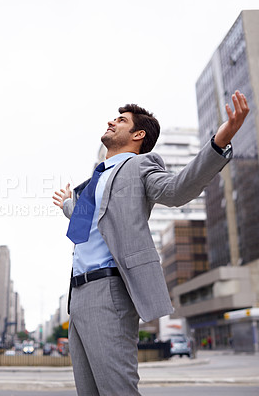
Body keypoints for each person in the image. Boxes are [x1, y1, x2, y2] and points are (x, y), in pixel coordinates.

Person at [52, 91, 249, 396]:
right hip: (76, 297)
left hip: (110, 291)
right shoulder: (95, 180)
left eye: (120, 120)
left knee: (118, 390)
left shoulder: (139, 167)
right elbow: (86, 222)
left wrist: (218, 143)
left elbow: (177, 190)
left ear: (138, 134)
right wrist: (67, 204)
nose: (110, 121)